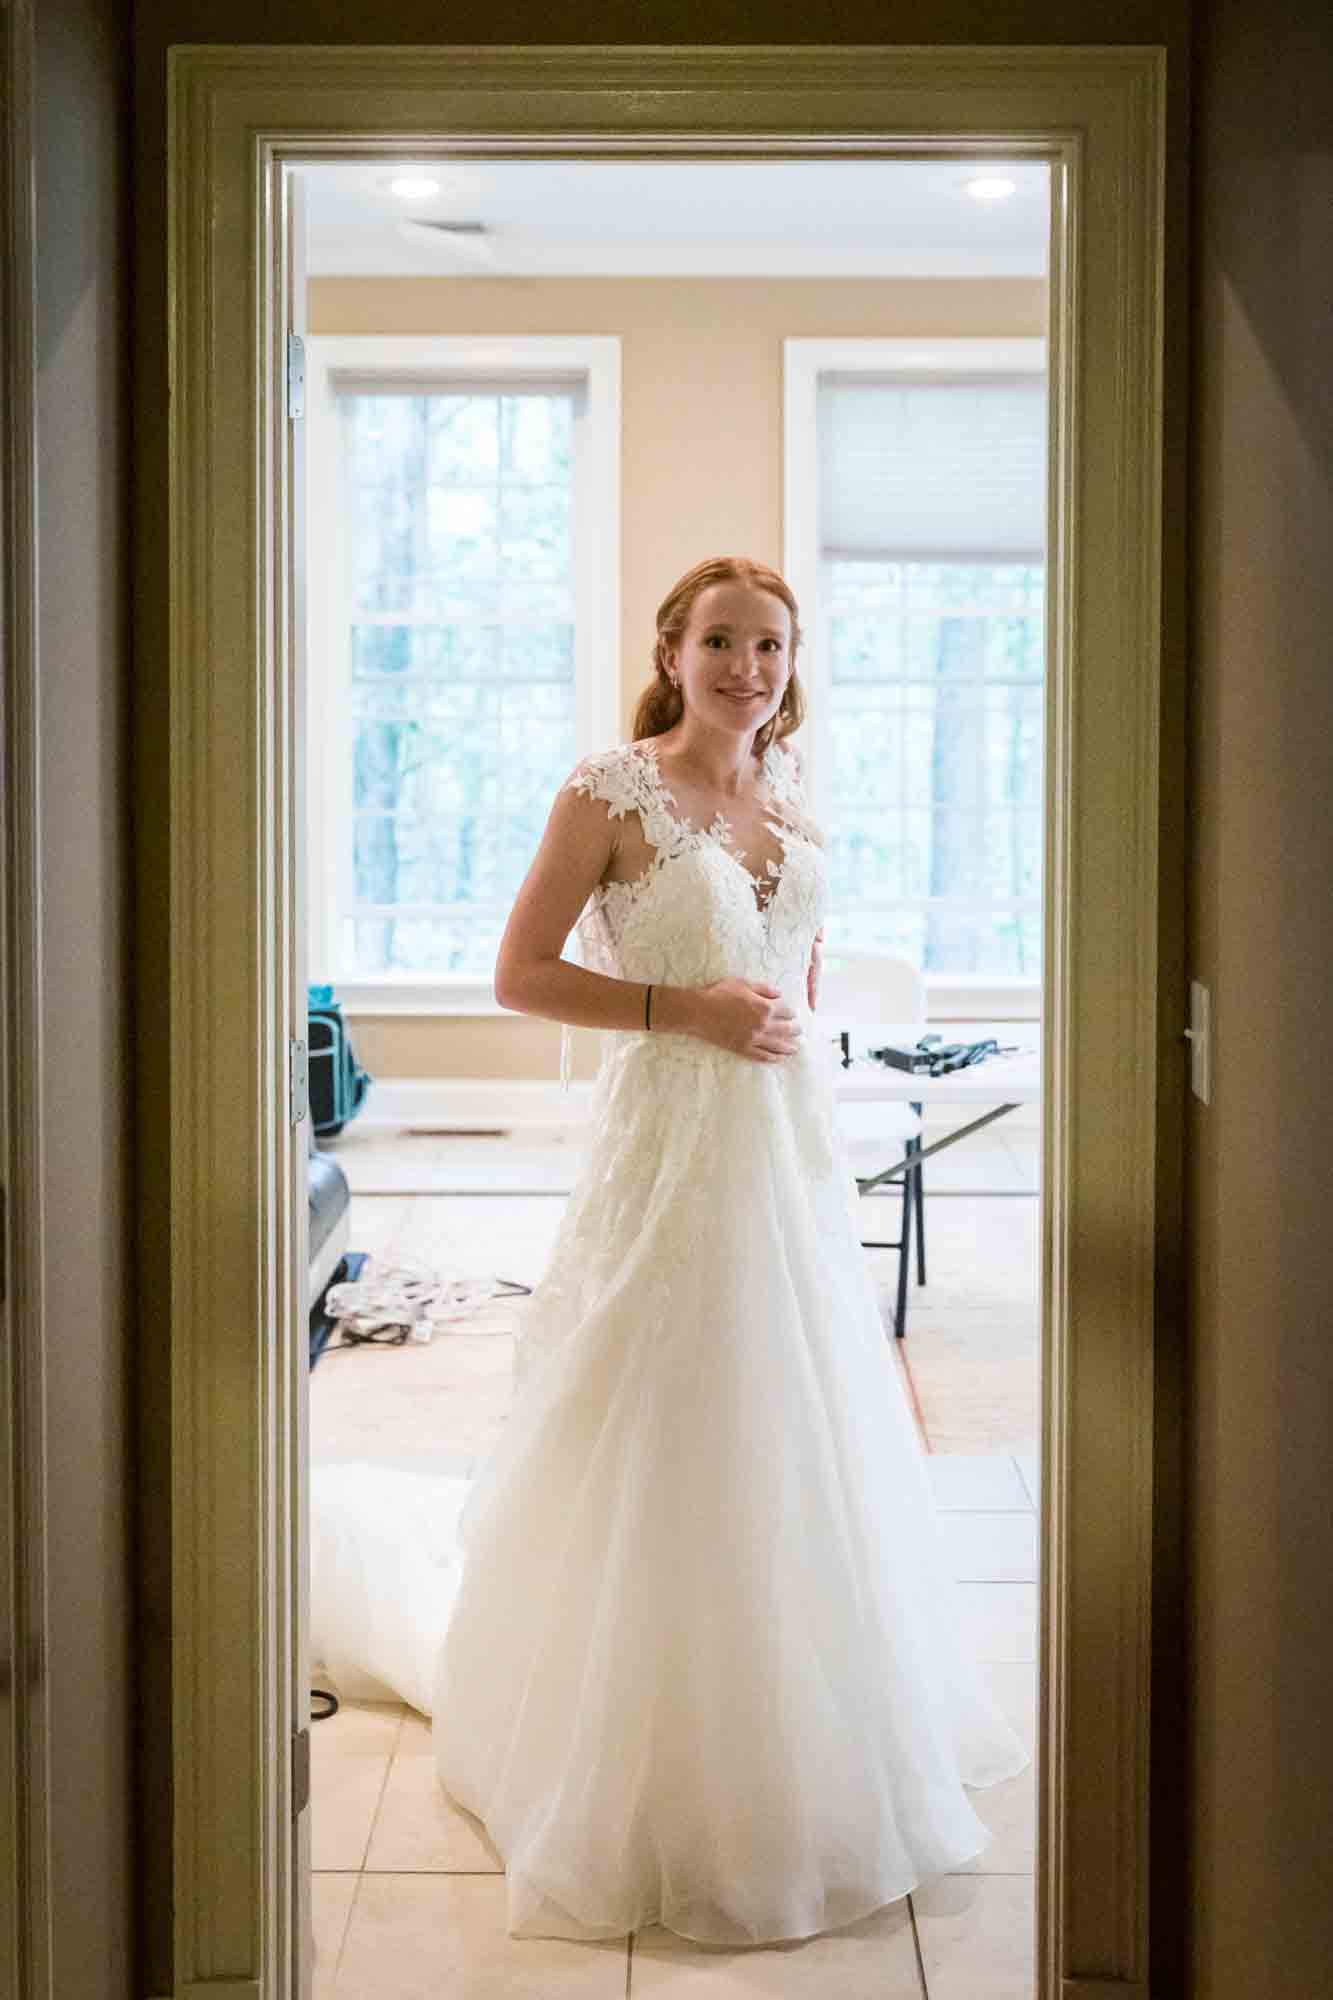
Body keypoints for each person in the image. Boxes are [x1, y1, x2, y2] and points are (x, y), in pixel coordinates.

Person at [308, 554, 1030, 1949]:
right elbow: (518, 975)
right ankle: (623, 1727)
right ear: (670, 646)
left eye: (769, 646)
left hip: (782, 1146)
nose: (745, 669)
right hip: (668, 1139)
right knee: (659, 1401)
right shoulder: (607, 790)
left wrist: (781, 1037)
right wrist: (684, 1014)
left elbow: (792, 964)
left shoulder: (789, 793)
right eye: (720, 642)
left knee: (796, 1413)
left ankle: (793, 1706)